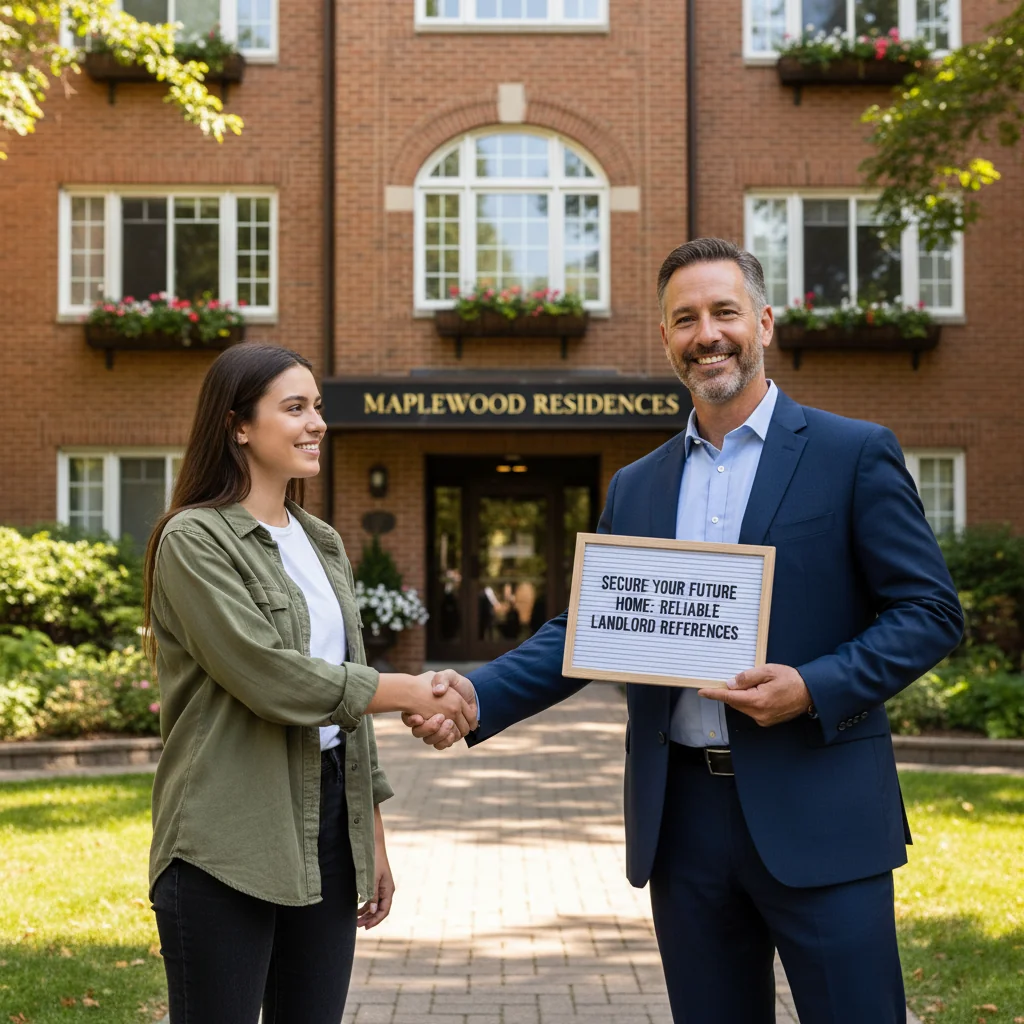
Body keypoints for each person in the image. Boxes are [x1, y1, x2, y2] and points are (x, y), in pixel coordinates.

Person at [404, 239, 964, 1023]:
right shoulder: (638, 485)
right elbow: (590, 629)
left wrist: (813, 687)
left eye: (725, 312)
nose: (708, 334)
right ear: (666, 338)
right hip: (684, 821)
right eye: (685, 319)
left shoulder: (852, 454)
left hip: (821, 809)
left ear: (764, 323)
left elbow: (931, 613)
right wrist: (475, 692)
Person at [142, 343, 476, 1023]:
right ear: (239, 425)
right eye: (294, 408)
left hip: (328, 829)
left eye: (317, 407)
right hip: (225, 837)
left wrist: (370, 840)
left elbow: (341, 711)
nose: (317, 422)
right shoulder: (195, 540)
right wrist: (410, 691)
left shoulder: (320, 540)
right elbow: (271, 677)